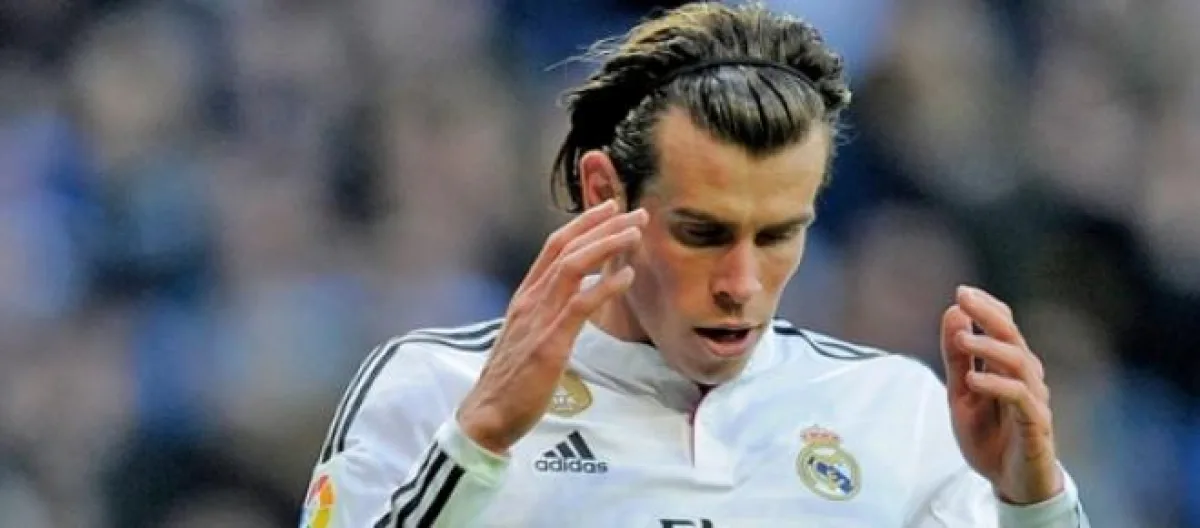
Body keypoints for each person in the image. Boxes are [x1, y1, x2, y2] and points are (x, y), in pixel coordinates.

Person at [300, 3, 1090, 527]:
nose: (742, 285)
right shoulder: (433, 388)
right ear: (605, 194)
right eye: (703, 233)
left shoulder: (897, 411)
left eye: (778, 235)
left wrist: (1034, 507)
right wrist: (475, 443)